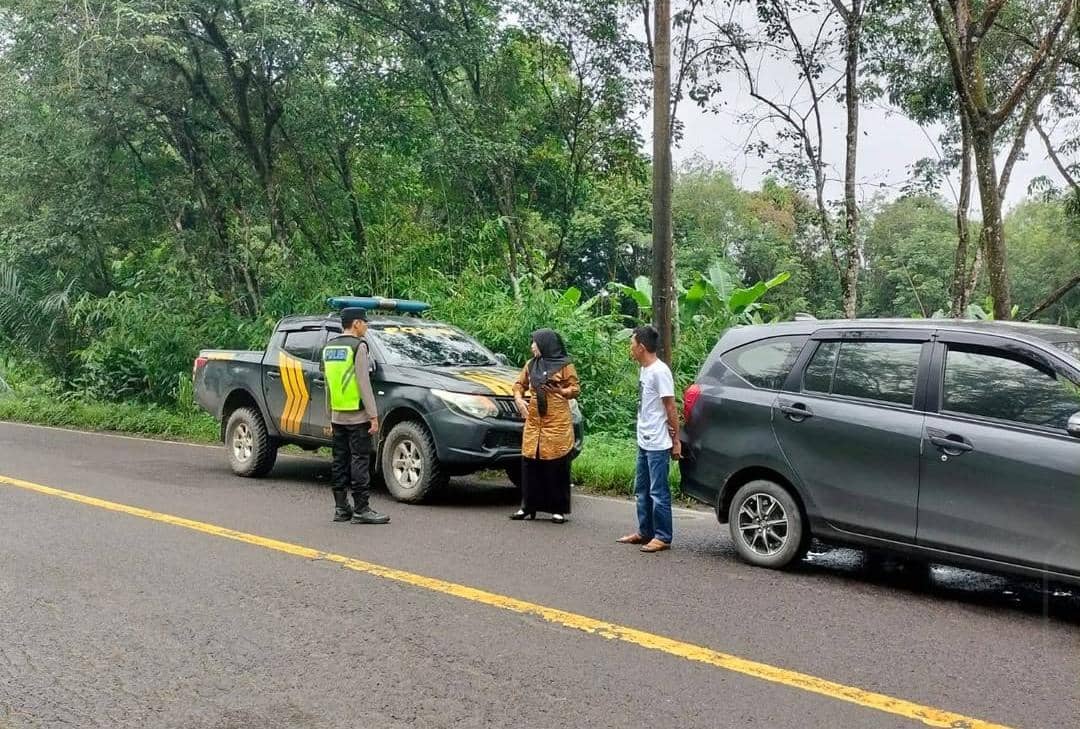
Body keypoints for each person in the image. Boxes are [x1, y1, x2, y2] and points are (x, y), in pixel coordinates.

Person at [321, 307, 390, 525]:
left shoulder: (329, 347)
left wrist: (329, 416)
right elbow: (363, 383)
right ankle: (361, 508)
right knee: (360, 460)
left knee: (339, 461)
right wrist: (373, 416)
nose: (366, 327)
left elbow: (328, 385)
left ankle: (341, 508)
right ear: (356, 323)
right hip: (357, 416)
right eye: (365, 322)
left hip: (337, 416)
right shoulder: (358, 346)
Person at [618, 325, 681, 553]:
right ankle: (645, 531)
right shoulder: (645, 369)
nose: (630, 348)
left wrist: (676, 440)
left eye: (632, 344)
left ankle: (663, 536)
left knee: (658, 491)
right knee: (642, 490)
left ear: (642, 347)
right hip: (644, 440)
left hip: (657, 442)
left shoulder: (660, 372)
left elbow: (670, 407)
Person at [510, 329, 581, 524]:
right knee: (530, 461)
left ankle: (558, 509)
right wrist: (519, 399)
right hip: (535, 420)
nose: (532, 346)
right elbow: (519, 384)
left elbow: (575, 388)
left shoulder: (565, 365)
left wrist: (562, 391)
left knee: (556, 464)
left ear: (546, 344)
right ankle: (527, 506)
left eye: (535, 343)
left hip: (556, 420)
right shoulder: (531, 364)